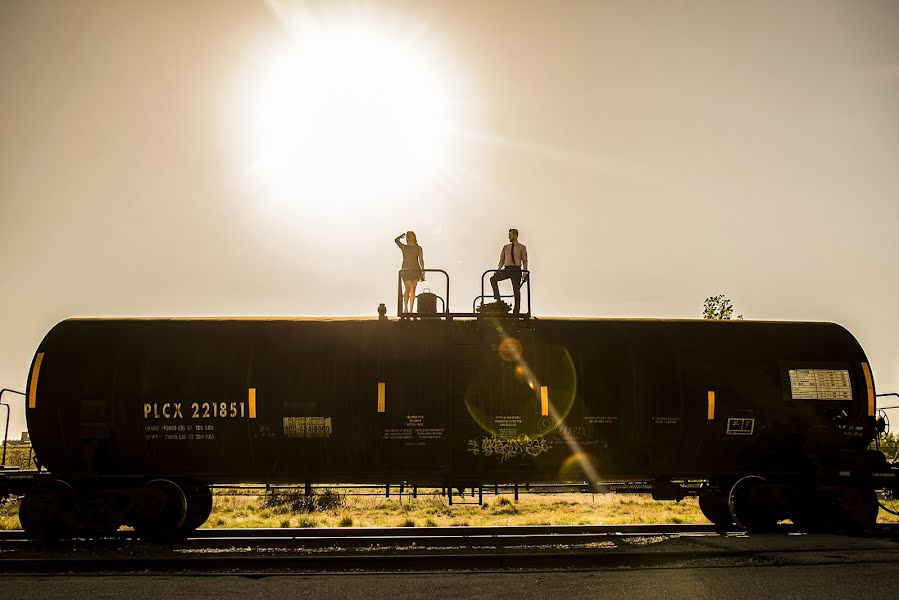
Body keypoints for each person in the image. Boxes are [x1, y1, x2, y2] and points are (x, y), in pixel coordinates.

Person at [490, 228, 528, 314]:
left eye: (510, 235)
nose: (508, 236)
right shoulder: (506, 247)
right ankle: (498, 299)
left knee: (516, 290)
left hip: (516, 270)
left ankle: (516, 310)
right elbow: (502, 260)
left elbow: (525, 261)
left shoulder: (522, 247)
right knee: (493, 279)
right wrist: (498, 270)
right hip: (507, 269)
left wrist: (525, 273)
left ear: (515, 235)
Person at [395, 231, 425, 313]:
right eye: (408, 236)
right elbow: (396, 240)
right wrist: (401, 236)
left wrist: (423, 270)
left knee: (413, 290)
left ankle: (411, 310)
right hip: (406, 269)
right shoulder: (404, 247)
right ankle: (405, 308)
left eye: (410, 235)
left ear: (414, 237)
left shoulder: (418, 248)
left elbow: (421, 259)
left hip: (415, 269)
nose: (408, 237)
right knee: (407, 288)